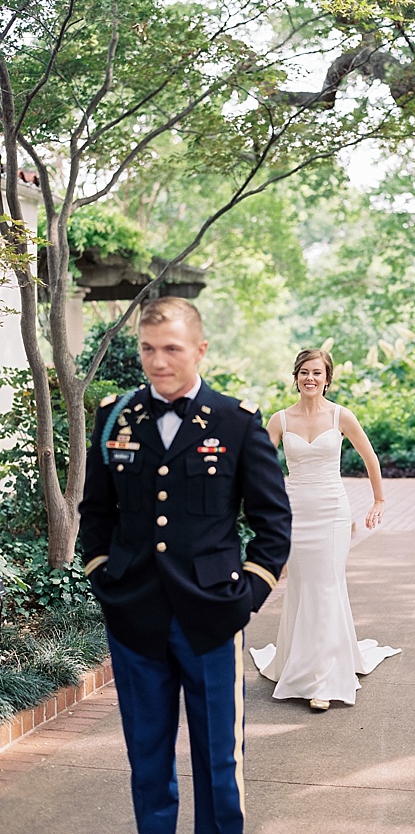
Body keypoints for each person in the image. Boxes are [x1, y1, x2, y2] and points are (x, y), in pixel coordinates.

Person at [78, 297, 292, 834]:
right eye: (148, 349)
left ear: (200, 349)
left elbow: (273, 524)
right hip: (134, 614)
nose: (157, 361)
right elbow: (96, 512)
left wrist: (246, 598)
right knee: (148, 761)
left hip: (212, 617)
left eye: (171, 348)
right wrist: (103, 575)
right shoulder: (115, 417)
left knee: (220, 763)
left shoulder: (235, 422)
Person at [250, 348, 400, 711]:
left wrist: (378, 500)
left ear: (327, 378)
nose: (310, 378)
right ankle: (294, 661)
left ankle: (324, 679)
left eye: (317, 372)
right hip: (296, 511)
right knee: (303, 586)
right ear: (296, 377)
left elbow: (369, 456)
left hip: (333, 512)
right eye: (304, 372)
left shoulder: (341, 416)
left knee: (328, 584)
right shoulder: (280, 421)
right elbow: (257, 465)